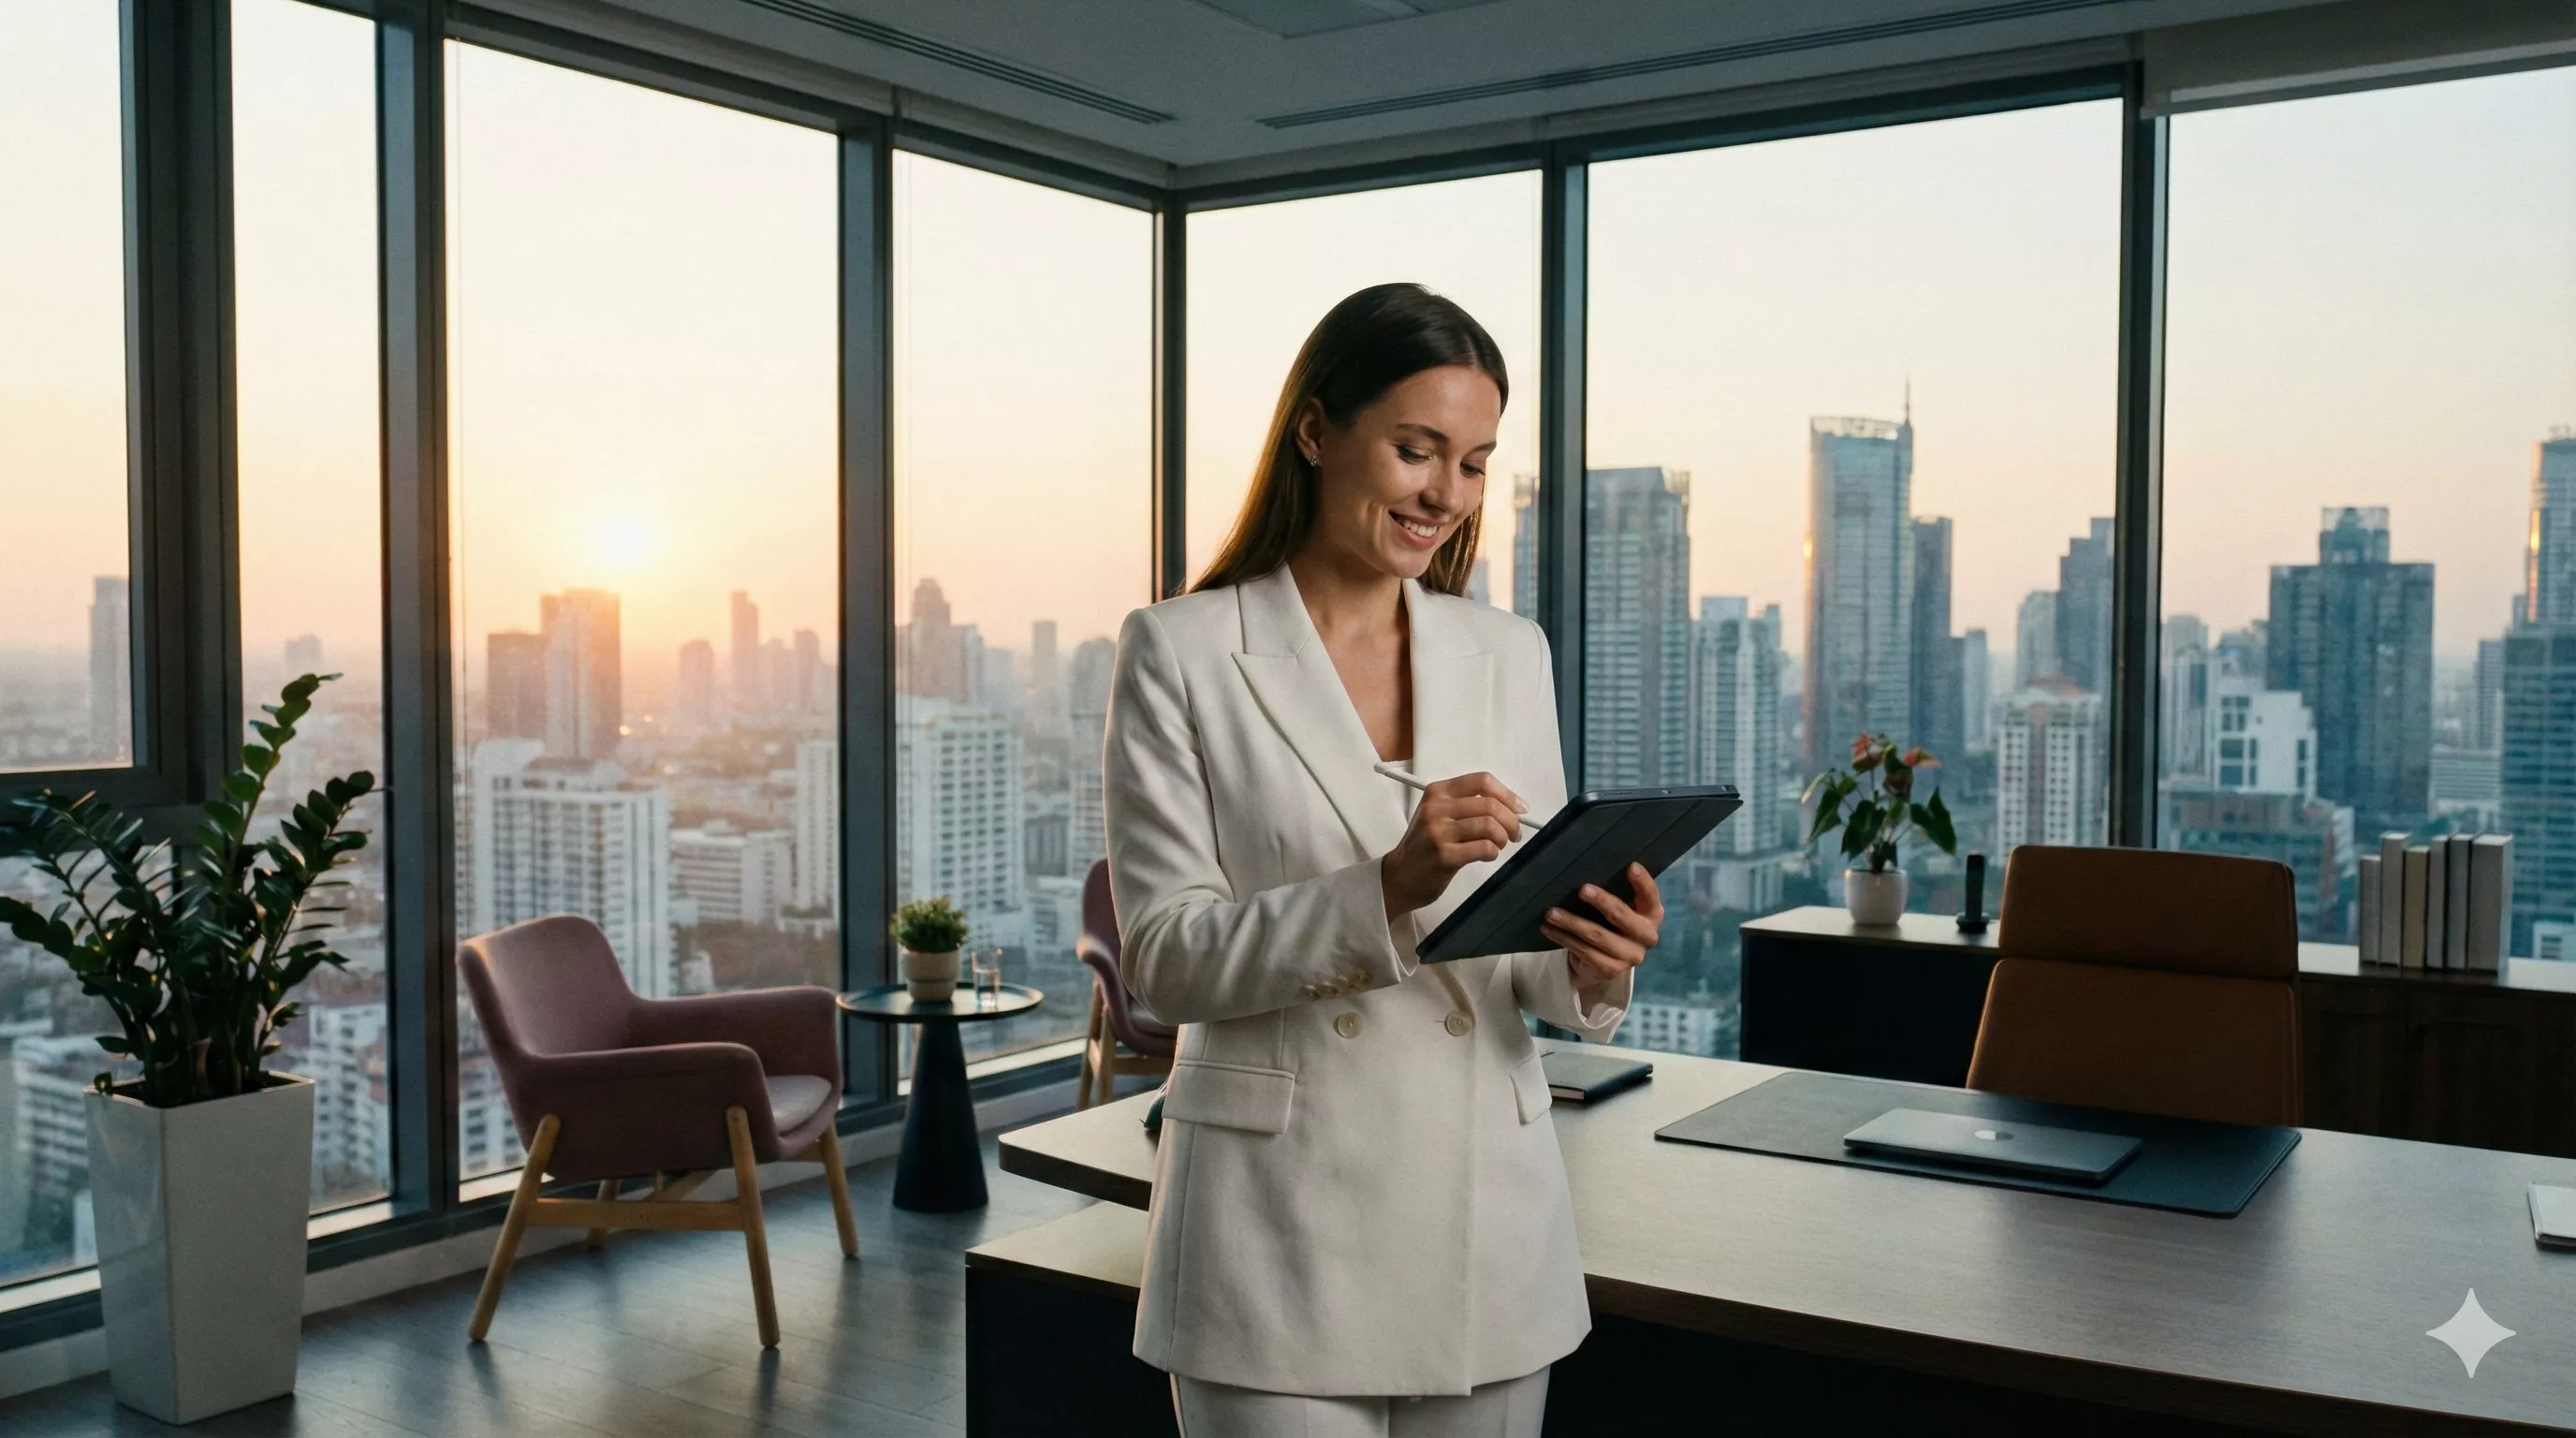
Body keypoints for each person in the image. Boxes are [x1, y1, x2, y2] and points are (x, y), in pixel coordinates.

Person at [1104, 283, 1662, 1437]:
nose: (1445, 496)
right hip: (1273, 1234)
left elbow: (1522, 957)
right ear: (1316, 431)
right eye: (1416, 451)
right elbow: (1164, 962)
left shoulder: (1507, 653)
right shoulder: (1181, 650)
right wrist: (1388, 888)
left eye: (1474, 464)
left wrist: (1594, 960)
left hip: (1486, 1227)